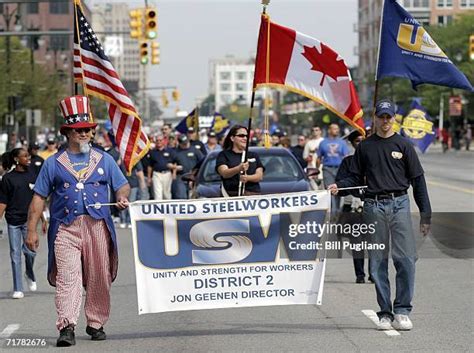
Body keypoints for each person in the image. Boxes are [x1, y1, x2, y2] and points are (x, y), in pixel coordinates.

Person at [25, 95, 130, 347]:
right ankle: (67, 325)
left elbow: (122, 185)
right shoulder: (53, 163)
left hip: (98, 225)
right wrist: (31, 230)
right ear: (68, 133)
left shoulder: (104, 160)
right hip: (65, 227)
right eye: (79, 131)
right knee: (67, 277)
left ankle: (95, 322)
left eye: (88, 130)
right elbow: (39, 197)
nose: (84, 134)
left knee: (99, 275)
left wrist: (121, 197)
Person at [329, 99, 431, 331]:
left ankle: (402, 310)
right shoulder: (365, 147)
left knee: (406, 259)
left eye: (388, 117)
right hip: (373, 207)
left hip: (399, 204)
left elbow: (418, 181)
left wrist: (426, 214)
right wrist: (338, 185)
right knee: (377, 262)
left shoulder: (404, 145)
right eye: (381, 117)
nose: (385, 121)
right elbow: (354, 177)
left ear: (394, 118)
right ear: (374, 118)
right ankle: (385, 312)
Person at [0, 148, 46, 299]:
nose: (29, 159)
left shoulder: (33, 175)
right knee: (15, 254)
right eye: (25, 156)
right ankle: (17, 288)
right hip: (13, 221)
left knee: (30, 251)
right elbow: (2, 202)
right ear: (16, 159)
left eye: (28, 156)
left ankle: (29, 273)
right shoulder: (8, 178)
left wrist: (43, 219)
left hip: (29, 222)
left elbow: (39, 200)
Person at [335, 130, 372, 284]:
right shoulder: (348, 162)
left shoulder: (375, 160)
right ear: (352, 143)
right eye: (357, 140)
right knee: (357, 242)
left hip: (373, 206)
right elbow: (340, 186)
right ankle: (360, 274)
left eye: (364, 139)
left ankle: (374, 273)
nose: (361, 143)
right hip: (354, 207)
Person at [216, 125, 264, 197]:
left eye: (247, 136)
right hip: (231, 196)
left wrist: (247, 178)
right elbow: (224, 173)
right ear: (232, 138)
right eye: (241, 136)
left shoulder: (253, 155)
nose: (245, 138)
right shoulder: (223, 155)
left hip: (252, 195)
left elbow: (259, 176)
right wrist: (238, 168)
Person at [317, 123, 350, 217]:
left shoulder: (342, 142)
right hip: (327, 169)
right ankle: (332, 213)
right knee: (330, 191)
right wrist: (317, 170)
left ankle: (338, 212)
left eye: (337, 129)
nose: (337, 130)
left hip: (340, 169)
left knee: (338, 190)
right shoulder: (323, 142)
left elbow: (346, 156)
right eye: (334, 129)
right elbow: (319, 157)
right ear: (329, 130)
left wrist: (347, 169)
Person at [170, 134, 204, 199]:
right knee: (181, 196)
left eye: (187, 143)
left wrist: (196, 173)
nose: (186, 145)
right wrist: (175, 167)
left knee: (193, 197)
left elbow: (202, 161)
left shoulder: (195, 150)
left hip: (193, 177)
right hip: (181, 177)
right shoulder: (175, 152)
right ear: (179, 143)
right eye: (183, 144)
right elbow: (169, 163)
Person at [147, 133, 174, 200]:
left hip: (167, 173)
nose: (159, 142)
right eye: (157, 140)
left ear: (164, 141)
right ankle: (158, 209)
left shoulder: (169, 151)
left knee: (166, 194)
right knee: (157, 195)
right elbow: (150, 165)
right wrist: (149, 177)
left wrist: (174, 173)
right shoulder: (152, 152)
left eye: (160, 140)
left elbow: (175, 162)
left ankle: (168, 210)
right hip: (156, 174)